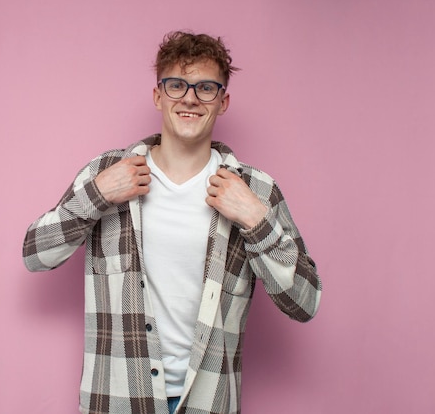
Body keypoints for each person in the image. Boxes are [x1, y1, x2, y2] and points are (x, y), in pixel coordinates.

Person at [23, 31, 322, 414]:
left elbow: (306, 302)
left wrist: (255, 220)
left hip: (208, 402)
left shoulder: (256, 191)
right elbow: (35, 254)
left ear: (223, 101)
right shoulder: (105, 172)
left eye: (206, 88)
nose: (190, 98)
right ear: (158, 96)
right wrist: (97, 195)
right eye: (177, 85)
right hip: (117, 401)